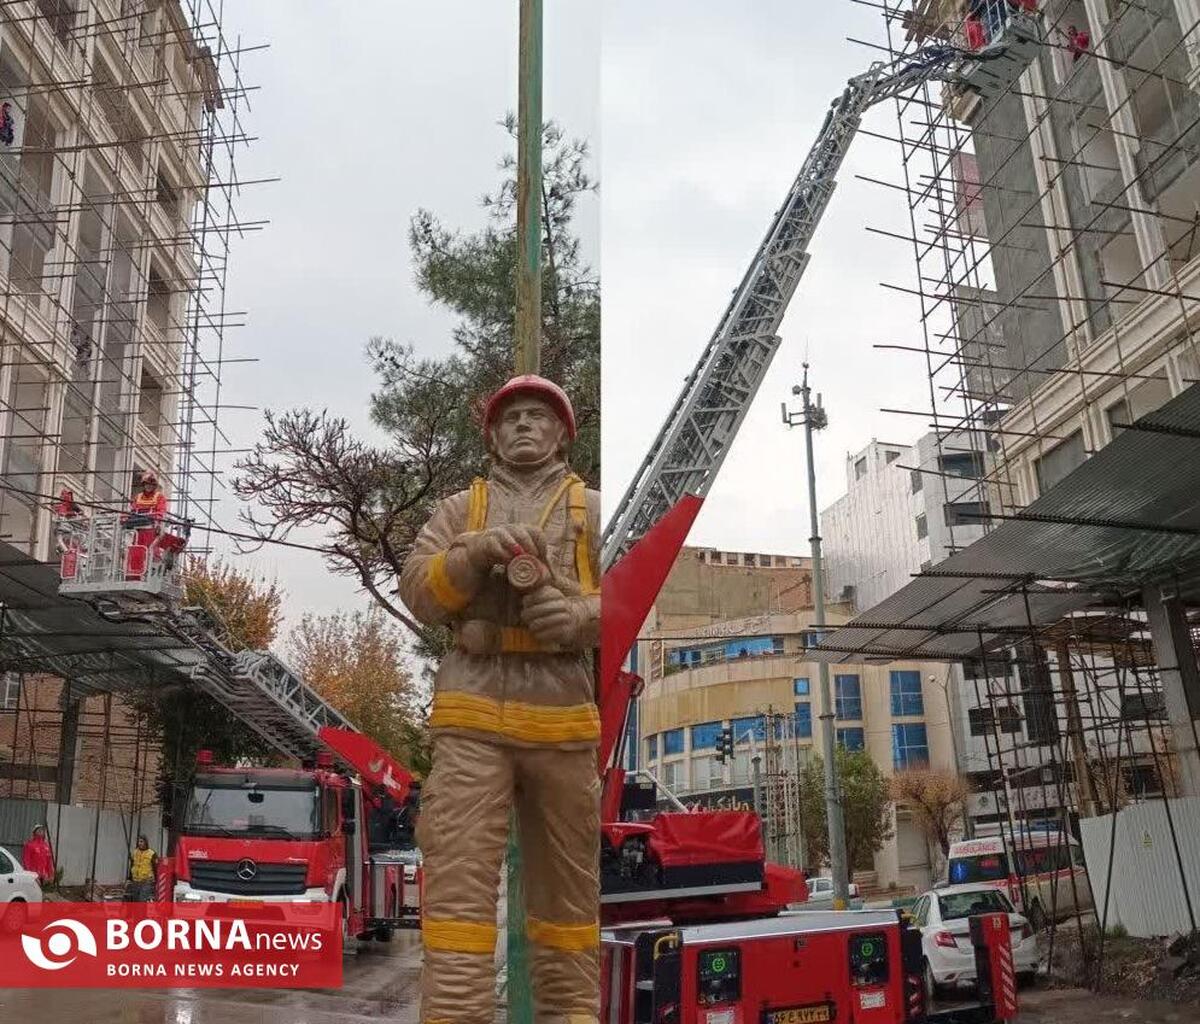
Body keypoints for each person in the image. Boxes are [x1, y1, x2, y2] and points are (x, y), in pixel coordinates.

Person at [400, 374, 600, 1024]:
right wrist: (468, 558)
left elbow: (633, 597)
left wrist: (579, 619)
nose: (522, 425)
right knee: (457, 901)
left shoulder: (591, 511)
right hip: (471, 719)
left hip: (564, 722)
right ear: (490, 433)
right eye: (510, 416)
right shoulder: (462, 510)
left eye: (537, 416)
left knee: (570, 907)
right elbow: (418, 593)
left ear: (563, 433)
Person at [128, 835, 158, 902]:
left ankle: (141, 912)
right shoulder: (135, 852)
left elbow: (155, 868)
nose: (140, 843)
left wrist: (156, 880)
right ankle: (136, 912)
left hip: (146, 881)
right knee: (135, 900)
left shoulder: (152, 854)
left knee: (142, 900)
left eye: (141, 841)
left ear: (145, 842)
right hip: (135, 880)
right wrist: (129, 878)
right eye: (139, 841)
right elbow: (132, 866)